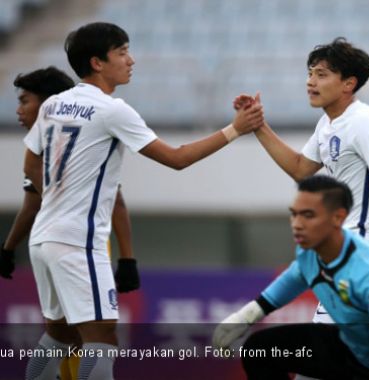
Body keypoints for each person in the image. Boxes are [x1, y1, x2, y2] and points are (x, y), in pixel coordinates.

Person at [21, 22, 264, 380]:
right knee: (101, 337)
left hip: (43, 238)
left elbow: (30, 160)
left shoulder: (55, 104)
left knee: (59, 336)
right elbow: (177, 158)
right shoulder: (112, 110)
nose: (131, 60)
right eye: (122, 52)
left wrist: (57, 195)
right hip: (77, 242)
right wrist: (235, 129)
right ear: (98, 62)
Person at [235, 37, 369, 327]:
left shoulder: (364, 121)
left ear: (348, 84)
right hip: (349, 251)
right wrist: (258, 126)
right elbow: (301, 169)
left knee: (336, 350)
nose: (310, 81)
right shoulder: (328, 124)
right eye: (310, 73)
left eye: (321, 74)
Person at [213, 175, 369, 380]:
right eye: (294, 215)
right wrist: (245, 317)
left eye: (308, 215)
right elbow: (295, 276)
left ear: (338, 218)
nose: (297, 225)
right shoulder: (311, 250)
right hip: (356, 350)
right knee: (261, 350)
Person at [0, 66, 139, 380]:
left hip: (58, 241)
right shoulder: (63, 140)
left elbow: (34, 202)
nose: (19, 110)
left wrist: (8, 248)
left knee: (66, 337)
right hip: (78, 243)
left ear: (49, 102)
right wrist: (128, 258)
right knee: (95, 339)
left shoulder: (56, 143)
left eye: (25, 101)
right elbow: (113, 199)